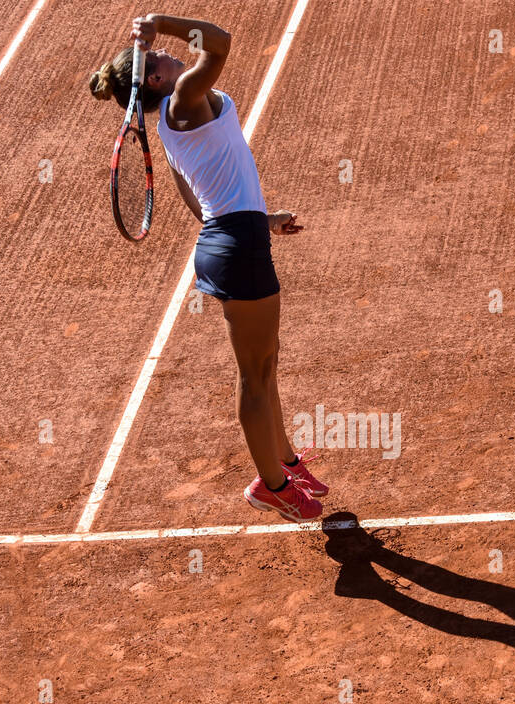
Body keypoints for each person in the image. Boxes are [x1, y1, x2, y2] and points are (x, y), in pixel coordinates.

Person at [89, 14, 328, 522]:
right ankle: (272, 486)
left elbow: (204, 204)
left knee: (266, 364)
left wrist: (264, 220)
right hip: (235, 248)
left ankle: (286, 461)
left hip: (234, 238)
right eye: (162, 59)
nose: (173, 58)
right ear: (154, 79)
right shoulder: (183, 101)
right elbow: (219, 44)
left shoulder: (173, 121)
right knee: (254, 372)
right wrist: (159, 23)